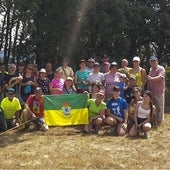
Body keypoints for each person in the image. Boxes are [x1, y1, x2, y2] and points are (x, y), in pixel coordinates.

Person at [147, 56, 166, 125]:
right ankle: (154, 119)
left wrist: (151, 78)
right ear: (149, 62)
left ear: (157, 61)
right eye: (151, 61)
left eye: (154, 61)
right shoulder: (150, 69)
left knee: (160, 106)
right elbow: (149, 79)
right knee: (153, 106)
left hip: (159, 91)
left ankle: (160, 120)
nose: (153, 62)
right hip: (152, 91)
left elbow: (160, 77)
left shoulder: (161, 68)